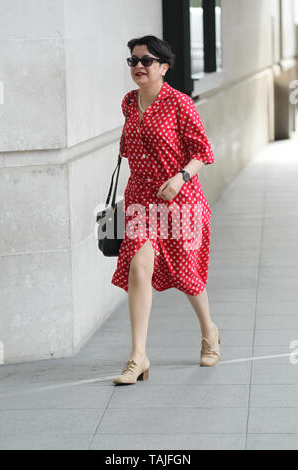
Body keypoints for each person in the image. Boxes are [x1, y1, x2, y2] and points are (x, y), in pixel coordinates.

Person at [112, 35, 220, 385]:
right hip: (141, 199)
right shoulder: (129, 103)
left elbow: (203, 151)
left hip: (179, 198)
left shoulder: (180, 103)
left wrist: (180, 176)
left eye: (146, 60)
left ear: (164, 66)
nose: (139, 66)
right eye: (133, 61)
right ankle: (137, 356)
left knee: (188, 275)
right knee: (138, 269)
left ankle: (209, 332)